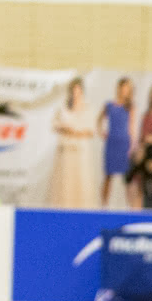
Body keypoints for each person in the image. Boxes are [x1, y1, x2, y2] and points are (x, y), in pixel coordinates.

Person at [48, 78, 97, 209]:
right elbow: (55, 125)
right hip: (66, 152)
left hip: (80, 152)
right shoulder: (63, 108)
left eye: (78, 90)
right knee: (64, 185)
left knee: (80, 184)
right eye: (73, 90)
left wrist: (76, 132)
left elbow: (91, 130)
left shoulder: (88, 108)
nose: (75, 93)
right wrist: (66, 129)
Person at [100, 77, 135, 208]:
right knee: (108, 176)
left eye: (127, 88)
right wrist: (101, 132)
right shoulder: (109, 105)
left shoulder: (130, 106)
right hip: (111, 143)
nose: (124, 91)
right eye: (122, 88)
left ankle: (129, 206)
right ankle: (104, 206)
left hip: (124, 143)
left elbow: (132, 127)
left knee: (127, 178)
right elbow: (99, 120)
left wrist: (131, 146)